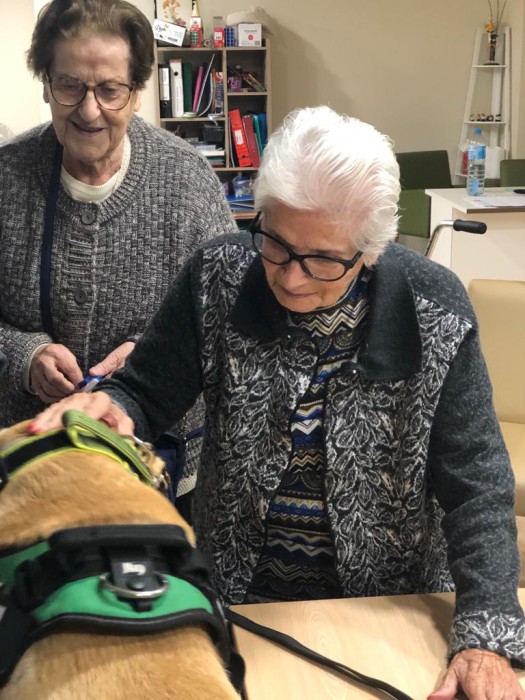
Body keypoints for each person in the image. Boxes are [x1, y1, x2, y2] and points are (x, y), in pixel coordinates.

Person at [30, 106, 525, 699]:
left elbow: (476, 481)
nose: (290, 278)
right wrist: (113, 409)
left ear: (371, 251)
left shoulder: (434, 308)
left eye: (323, 260)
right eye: (277, 244)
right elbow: (144, 391)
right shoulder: (218, 275)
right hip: (239, 600)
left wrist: (486, 632)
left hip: (388, 603)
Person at [0, 0, 237, 500]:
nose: (89, 111)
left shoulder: (188, 181)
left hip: (156, 469)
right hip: (25, 472)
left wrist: (153, 361)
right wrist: (24, 355)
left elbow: (228, 322)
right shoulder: (7, 177)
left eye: (109, 90)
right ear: (45, 83)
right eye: (70, 86)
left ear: (136, 92)